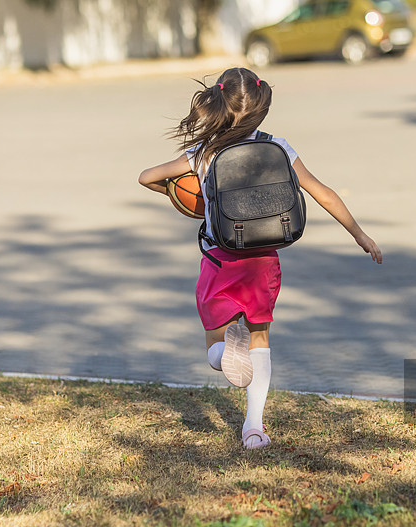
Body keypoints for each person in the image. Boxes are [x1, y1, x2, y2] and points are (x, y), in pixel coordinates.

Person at [138, 67, 382, 450]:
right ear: (261, 108)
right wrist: (359, 234)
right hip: (263, 260)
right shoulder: (278, 147)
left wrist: (201, 204)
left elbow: (146, 177)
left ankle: (223, 354)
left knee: (214, 346)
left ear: (217, 103)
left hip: (220, 258)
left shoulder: (203, 153)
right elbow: (323, 192)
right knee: (260, 339)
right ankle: (254, 429)